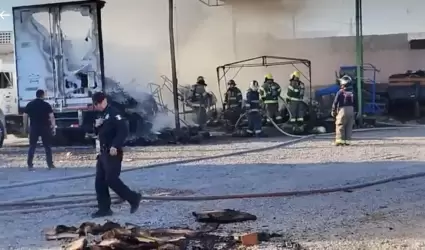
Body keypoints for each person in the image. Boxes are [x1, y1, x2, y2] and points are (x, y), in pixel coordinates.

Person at [91, 92, 142, 218]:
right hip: (103, 152)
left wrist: (115, 145)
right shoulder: (102, 115)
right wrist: (96, 127)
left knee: (111, 179)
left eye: (97, 104)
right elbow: (100, 133)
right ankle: (104, 208)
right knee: (100, 182)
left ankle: (133, 198)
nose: (96, 106)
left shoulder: (114, 113)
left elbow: (123, 130)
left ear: (103, 101)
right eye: (94, 104)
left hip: (112, 152)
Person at [23, 89, 55, 170]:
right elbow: (51, 117)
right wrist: (53, 127)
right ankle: (50, 164)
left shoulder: (30, 104)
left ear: (36, 95)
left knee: (32, 146)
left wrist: (25, 127)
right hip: (45, 127)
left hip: (34, 127)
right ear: (43, 95)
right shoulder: (46, 105)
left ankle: (30, 164)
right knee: (47, 146)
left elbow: (25, 116)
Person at [331, 75, 355, 146]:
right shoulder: (352, 92)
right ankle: (347, 141)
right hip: (351, 110)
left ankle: (339, 141)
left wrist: (333, 110)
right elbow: (356, 102)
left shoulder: (340, 92)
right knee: (349, 126)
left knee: (340, 124)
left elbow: (335, 102)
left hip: (343, 110)